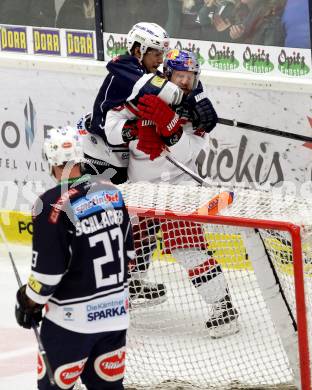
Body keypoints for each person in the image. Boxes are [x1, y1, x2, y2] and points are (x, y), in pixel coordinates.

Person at [104, 49, 239, 337]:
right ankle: (134, 289)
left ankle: (224, 307)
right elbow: (110, 127)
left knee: (185, 246)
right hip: (140, 186)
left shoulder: (198, 110)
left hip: (179, 184)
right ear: (167, 75)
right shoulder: (144, 93)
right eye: (179, 76)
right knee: (129, 242)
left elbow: (190, 152)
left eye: (190, 76)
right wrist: (136, 130)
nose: (185, 82)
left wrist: (171, 129)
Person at [15, 126, 134, 389]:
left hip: (71, 324)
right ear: (80, 158)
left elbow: (47, 276)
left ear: (50, 162)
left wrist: (28, 301)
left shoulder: (51, 205)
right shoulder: (112, 192)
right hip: (115, 317)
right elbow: (129, 255)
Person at [89, 22, 172, 305]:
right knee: (107, 223)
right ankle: (100, 286)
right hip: (100, 157)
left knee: (143, 222)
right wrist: (190, 98)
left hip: (120, 157)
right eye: (155, 53)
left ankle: (132, 280)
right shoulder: (127, 68)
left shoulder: (144, 70)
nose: (160, 60)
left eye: (163, 54)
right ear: (138, 49)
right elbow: (161, 92)